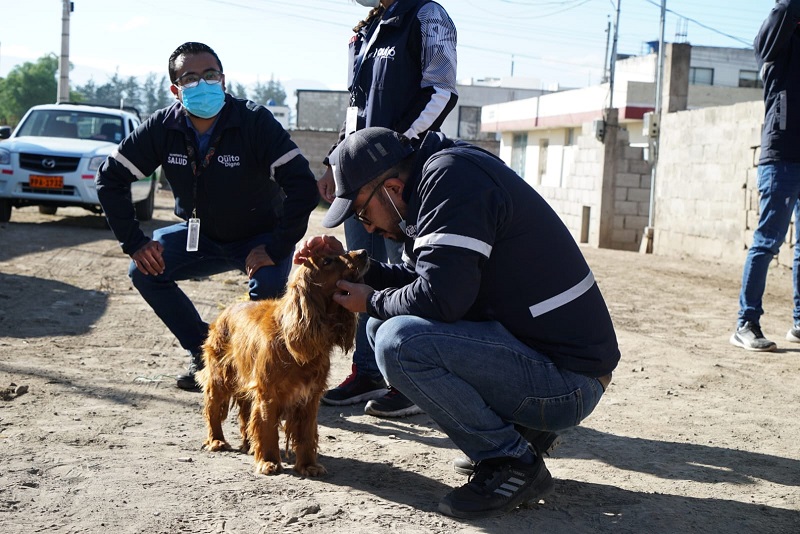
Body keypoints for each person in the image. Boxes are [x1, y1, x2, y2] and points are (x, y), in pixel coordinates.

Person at [295, 127, 620, 519]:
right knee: (380, 326)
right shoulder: (439, 177)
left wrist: (373, 300)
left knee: (398, 341)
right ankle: (521, 433)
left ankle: (511, 462)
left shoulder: (451, 181)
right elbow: (422, 281)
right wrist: (354, 266)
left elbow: (442, 299)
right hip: (547, 361)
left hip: (567, 383)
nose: (366, 227)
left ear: (393, 189)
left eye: (363, 212)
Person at [96, 42, 319, 390]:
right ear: (175, 89)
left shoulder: (253, 122)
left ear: (224, 80)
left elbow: (303, 186)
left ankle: (265, 376)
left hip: (258, 238)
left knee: (268, 295)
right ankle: (209, 354)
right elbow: (110, 178)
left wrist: (276, 247)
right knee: (143, 271)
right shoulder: (163, 127)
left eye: (210, 74)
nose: (202, 83)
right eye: (190, 78)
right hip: (199, 235)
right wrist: (135, 243)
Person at [317, 0, 459, 418]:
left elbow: (441, 91)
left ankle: (415, 378)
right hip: (362, 179)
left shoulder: (427, 14)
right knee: (361, 268)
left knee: (413, 275)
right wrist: (335, 159)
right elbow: (354, 106)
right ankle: (369, 371)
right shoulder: (367, 29)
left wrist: (396, 151)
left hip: (399, 177)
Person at [731, 0, 800, 352]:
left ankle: (799, 322)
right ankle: (746, 322)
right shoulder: (775, 33)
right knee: (767, 242)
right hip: (782, 156)